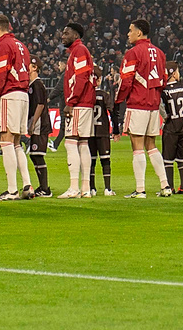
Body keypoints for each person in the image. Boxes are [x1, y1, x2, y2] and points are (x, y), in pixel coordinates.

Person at [117, 18, 173, 198]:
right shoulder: (160, 53)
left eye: (130, 30)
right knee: (151, 145)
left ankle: (140, 189)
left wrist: (119, 100)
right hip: (153, 106)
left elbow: (126, 80)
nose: (128, 34)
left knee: (137, 146)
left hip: (137, 104)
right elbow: (164, 79)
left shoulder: (133, 53)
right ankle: (165, 186)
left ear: (139, 33)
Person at [0, 12, 33, 201]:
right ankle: (27, 185)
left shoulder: (3, 45)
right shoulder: (22, 46)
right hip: (23, 95)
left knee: (5, 140)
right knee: (16, 143)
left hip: (9, 95)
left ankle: (12, 190)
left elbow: (0, 76)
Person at [58, 22, 96, 199]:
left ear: (75, 35)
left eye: (66, 33)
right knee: (83, 143)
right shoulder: (78, 51)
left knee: (71, 142)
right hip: (85, 103)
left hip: (79, 103)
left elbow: (81, 77)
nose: (62, 36)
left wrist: (71, 101)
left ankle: (74, 187)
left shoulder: (79, 51)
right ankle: (85, 188)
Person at [159, 61, 183, 194]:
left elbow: (159, 104)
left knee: (168, 159)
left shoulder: (164, 90)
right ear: (173, 73)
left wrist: (165, 116)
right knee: (182, 159)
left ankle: (170, 187)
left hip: (170, 126)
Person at [26, 60, 52, 197]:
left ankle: (45, 188)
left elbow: (41, 105)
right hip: (36, 124)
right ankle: (42, 187)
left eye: (28, 64)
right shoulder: (31, 85)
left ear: (35, 67)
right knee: (34, 156)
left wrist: (33, 123)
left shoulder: (38, 84)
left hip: (40, 125)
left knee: (38, 155)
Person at [88, 72, 116, 196]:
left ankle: (92, 188)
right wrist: (116, 129)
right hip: (103, 131)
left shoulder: (86, 96)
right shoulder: (104, 95)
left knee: (91, 161)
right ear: (99, 80)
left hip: (89, 132)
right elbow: (111, 110)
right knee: (105, 160)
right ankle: (107, 188)